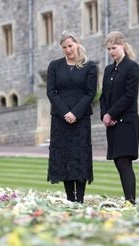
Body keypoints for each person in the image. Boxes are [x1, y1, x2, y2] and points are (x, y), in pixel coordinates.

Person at [46, 31, 97, 203]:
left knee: (79, 156)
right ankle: (70, 198)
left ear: (77, 43)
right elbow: (51, 92)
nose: (68, 50)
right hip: (60, 120)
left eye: (70, 45)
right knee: (65, 157)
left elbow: (90, 93)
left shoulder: (89, 66)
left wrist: (75, 113)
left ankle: (80, 199)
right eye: (64, 47)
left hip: (81, 119)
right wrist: (65, 113)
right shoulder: (54, 66)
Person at [99, 31, 139, 205]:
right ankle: (128, 201)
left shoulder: (132, 67)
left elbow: (129, 96)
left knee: (124, 162)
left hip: (127, 122)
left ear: (122, 44)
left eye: (114, 48)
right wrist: (104, 115)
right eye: (109, 49)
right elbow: (103, 96)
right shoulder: (109, 69)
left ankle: (130, 202)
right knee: (118, 162)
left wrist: (111, 114)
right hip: (112, 124)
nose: (111, 52)